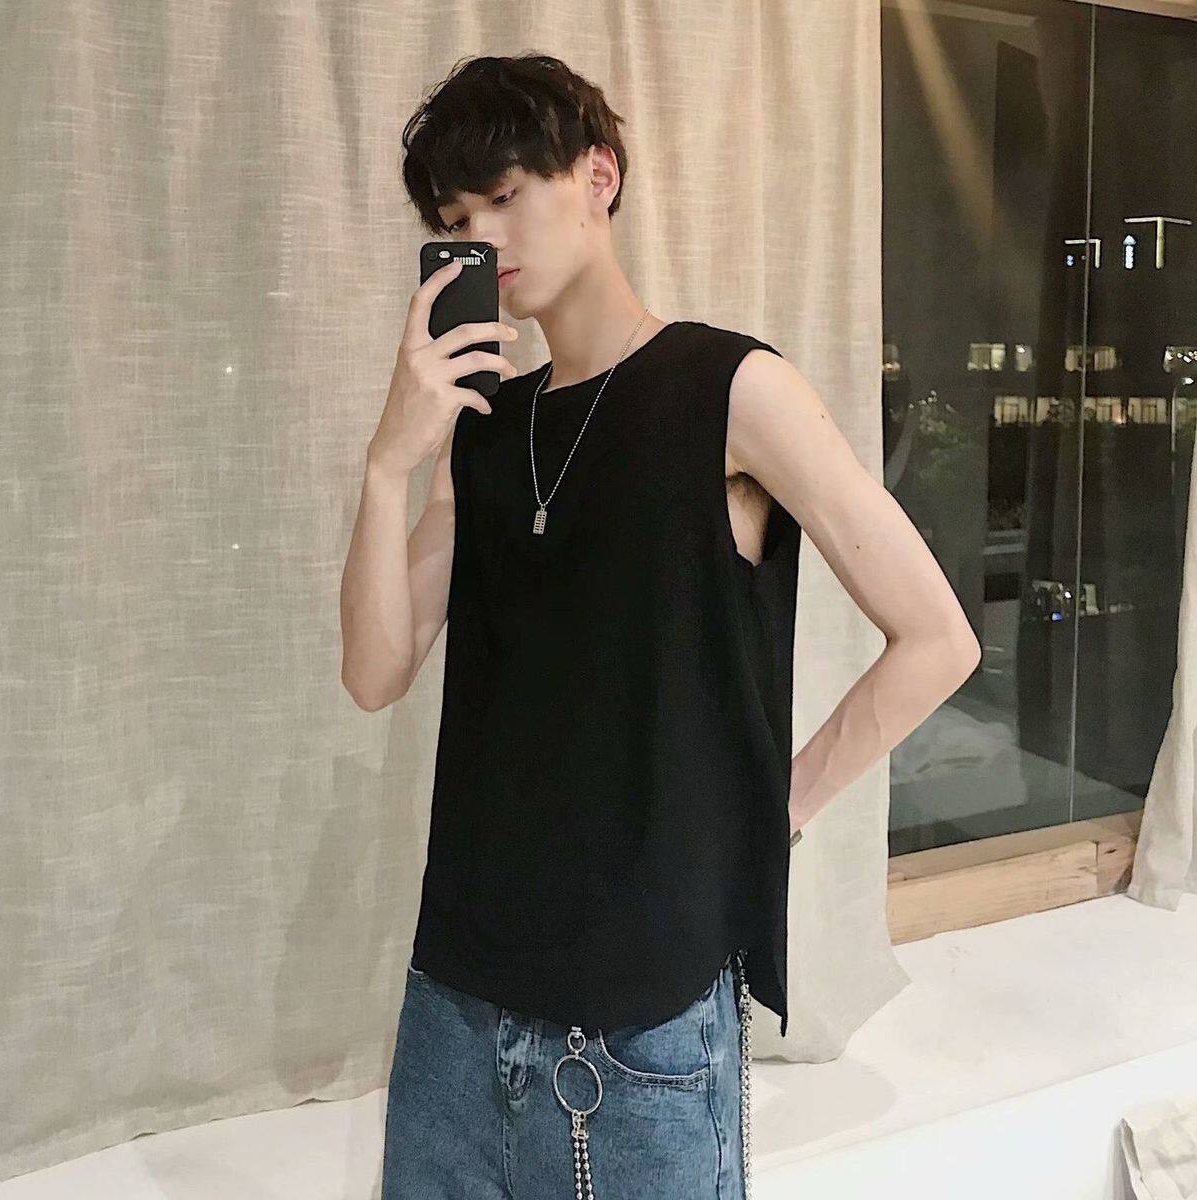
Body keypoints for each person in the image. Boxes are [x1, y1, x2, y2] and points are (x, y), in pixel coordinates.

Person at [339, 52, 980, 1200]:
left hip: (638, 1031)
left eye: (505, 194)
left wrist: (772, 810)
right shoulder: (484, 430)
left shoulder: (727, 389)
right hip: (455, 1003)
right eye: (457, 219)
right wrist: (392, 460)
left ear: (600, 176)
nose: (484, 235)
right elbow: (376, 670)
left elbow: (938, 637)